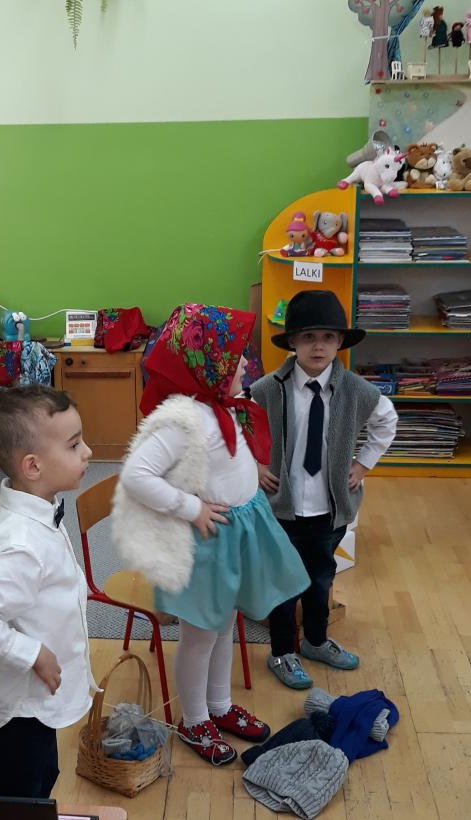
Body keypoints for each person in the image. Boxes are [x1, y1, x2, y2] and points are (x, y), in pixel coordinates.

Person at [112, 304, 310, 766]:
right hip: (204, 542)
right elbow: (136, 475)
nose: (246, 365)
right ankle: (194, 718)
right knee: (201, 634)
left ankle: (218, 706)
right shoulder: (183, 421)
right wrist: (191, 507)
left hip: (234, 533)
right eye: (237, 358)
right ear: (208, 366)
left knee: (224, 626)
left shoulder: (223, 406)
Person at [0, 385, 97, 798]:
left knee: (42, 774)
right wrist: (31, 652)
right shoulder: (21, 546)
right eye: (74, 445)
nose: (88, 452)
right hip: (15, 706)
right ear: (32, 466)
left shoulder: (38, 507)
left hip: (32, 700)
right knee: (20, 790)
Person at [252, 290, 397, 689]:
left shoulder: (355, 390)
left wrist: (362, 464)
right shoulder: (268, 388)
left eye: (328, 337)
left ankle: (315, 640)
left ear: (340, 342)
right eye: (308, 337)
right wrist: (255, 465)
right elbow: (236, 424)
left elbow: (387, 421)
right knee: (283, 585)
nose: (318, 346)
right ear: (293, 342)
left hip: (329, 510)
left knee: (320, 581)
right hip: (282, 509)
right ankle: (282, 652)